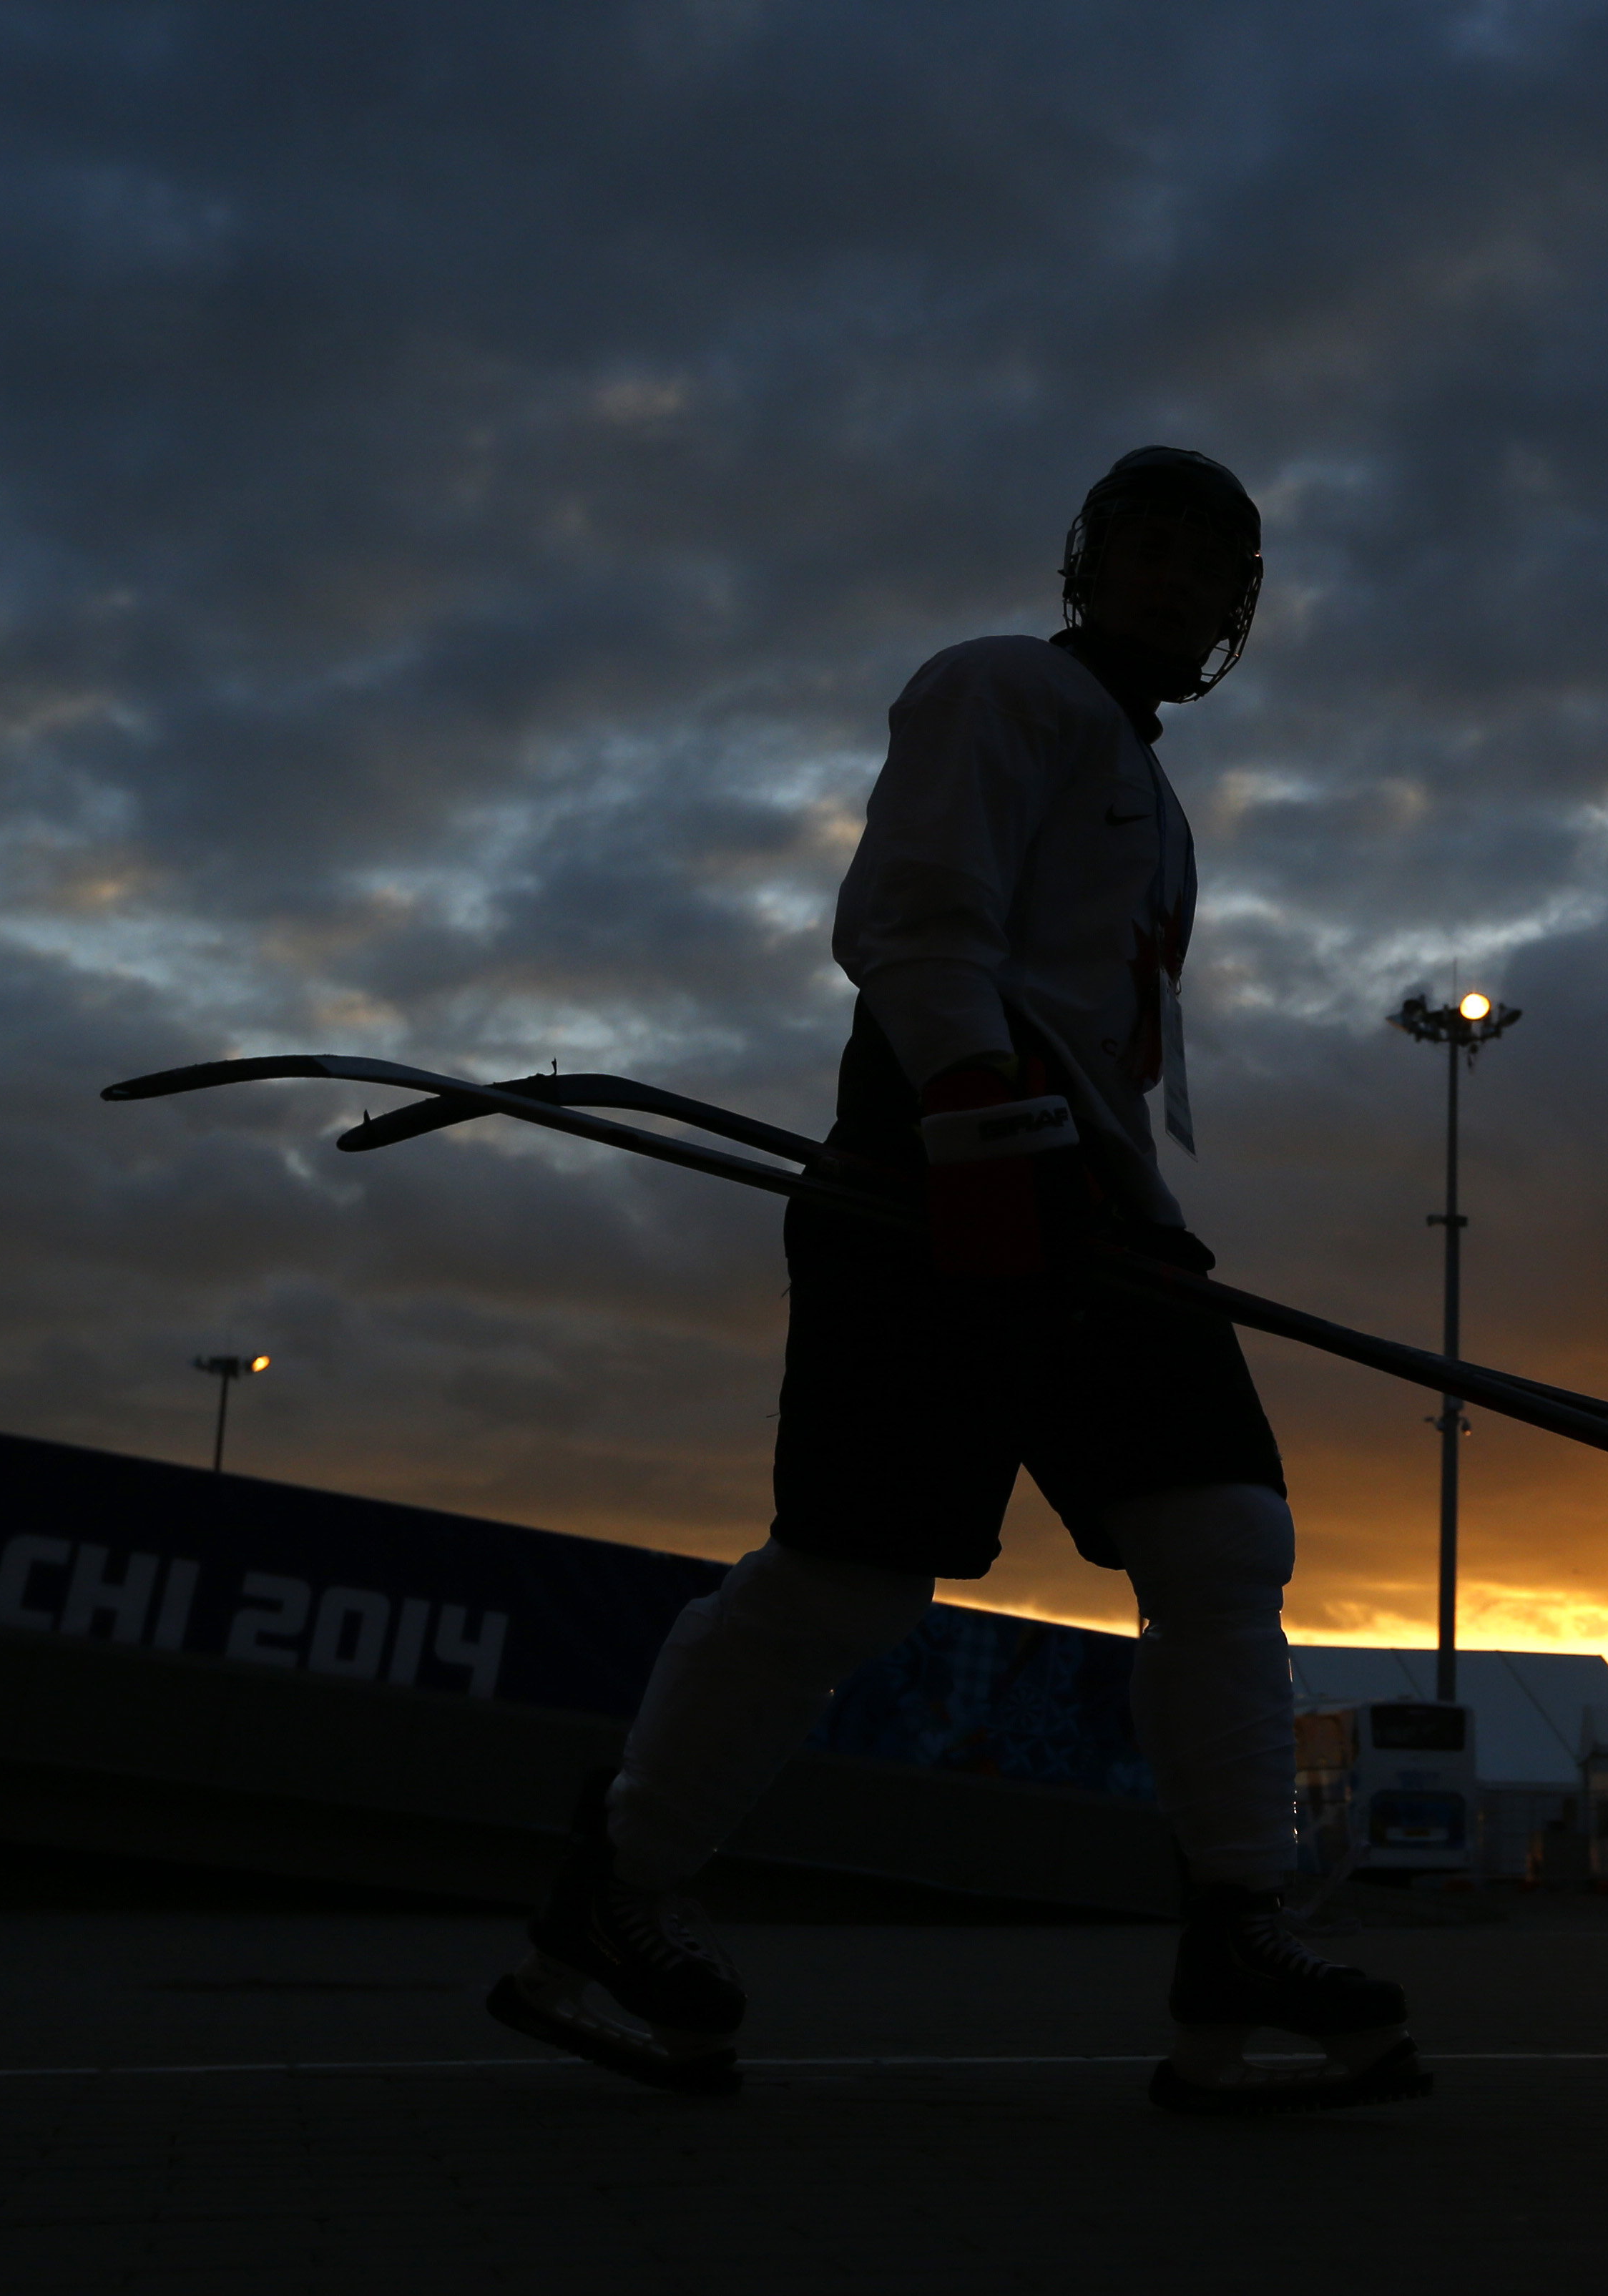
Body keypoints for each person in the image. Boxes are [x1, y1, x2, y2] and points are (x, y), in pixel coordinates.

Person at [488, 446, 1428, 2114]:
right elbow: (919, 914)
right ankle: (616, 1891)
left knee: (1221, 1535)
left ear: (1237, 611)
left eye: (1205, 562)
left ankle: (1237, 1931)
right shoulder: (1003, 688)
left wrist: (1087, 1186)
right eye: (1142, 544)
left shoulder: (1158, 799)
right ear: (1087, 564)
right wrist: (974, 1123)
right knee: (851, 1578)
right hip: (941, 1177)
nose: (1169, 577)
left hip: (1099, 1207)